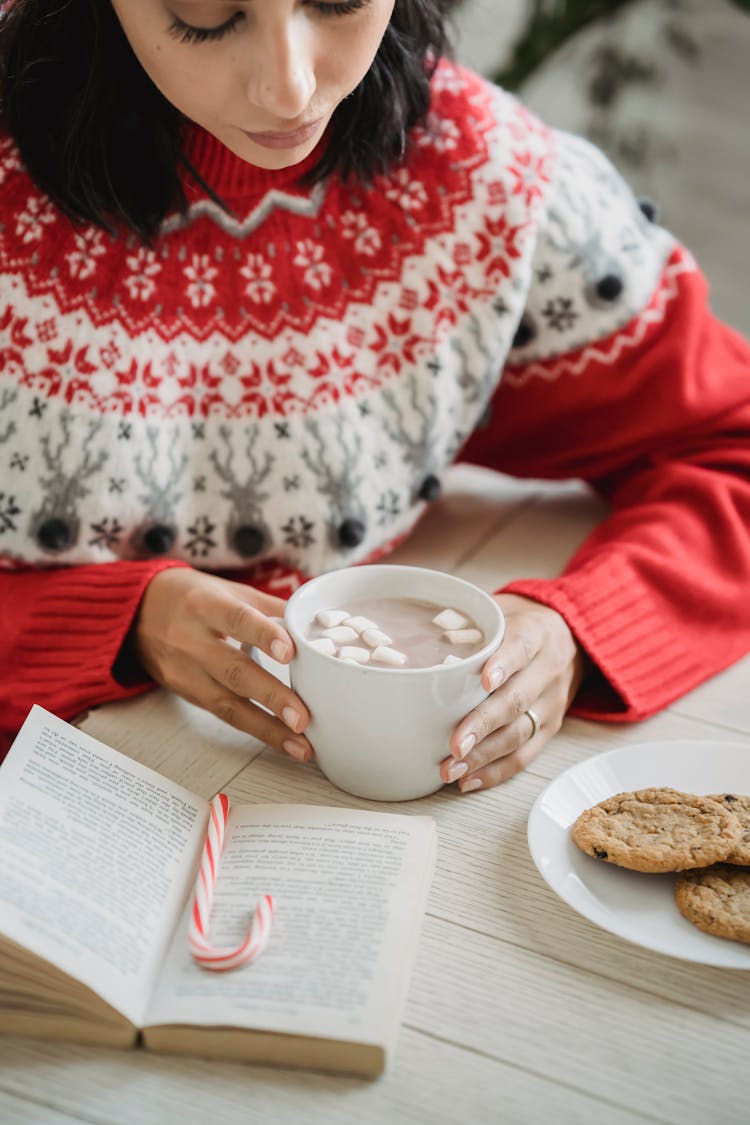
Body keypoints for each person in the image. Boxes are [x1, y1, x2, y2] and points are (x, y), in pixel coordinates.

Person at [1, 0, 748, 793]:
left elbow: (730, 446)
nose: (289, 91)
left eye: (337, 1)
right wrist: (116, 622)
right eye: (205, 19)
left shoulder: (480, 190)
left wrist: (576, 632)